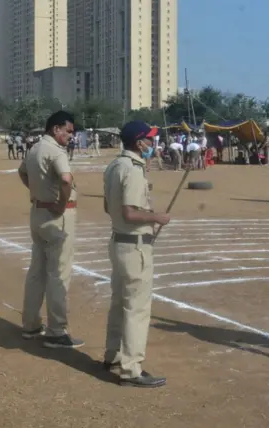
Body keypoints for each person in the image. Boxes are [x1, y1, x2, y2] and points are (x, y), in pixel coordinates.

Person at [102, 120, 170, 387]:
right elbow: (130, 213)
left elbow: (110, 207)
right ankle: (131, 370)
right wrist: (156, 217)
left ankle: (113, 356)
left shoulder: (115, 166)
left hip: (119, 242)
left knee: (119, 303)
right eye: (149, 140)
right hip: (134, 247)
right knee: (136, 309)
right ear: (138, 142)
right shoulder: (132, 170)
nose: (152, 144)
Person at [17, 111, 83, 348]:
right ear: (56, 129)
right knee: (58, 274)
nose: (70, 136)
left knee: (37, 272)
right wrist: (61, 203)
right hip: (58, 217)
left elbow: (22, 172)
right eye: (68, 131)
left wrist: (36, 192)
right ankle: (56, 330)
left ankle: (31, 324)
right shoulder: (55, 150)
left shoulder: (35, 148)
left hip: (38, 214)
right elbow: (65, 179)